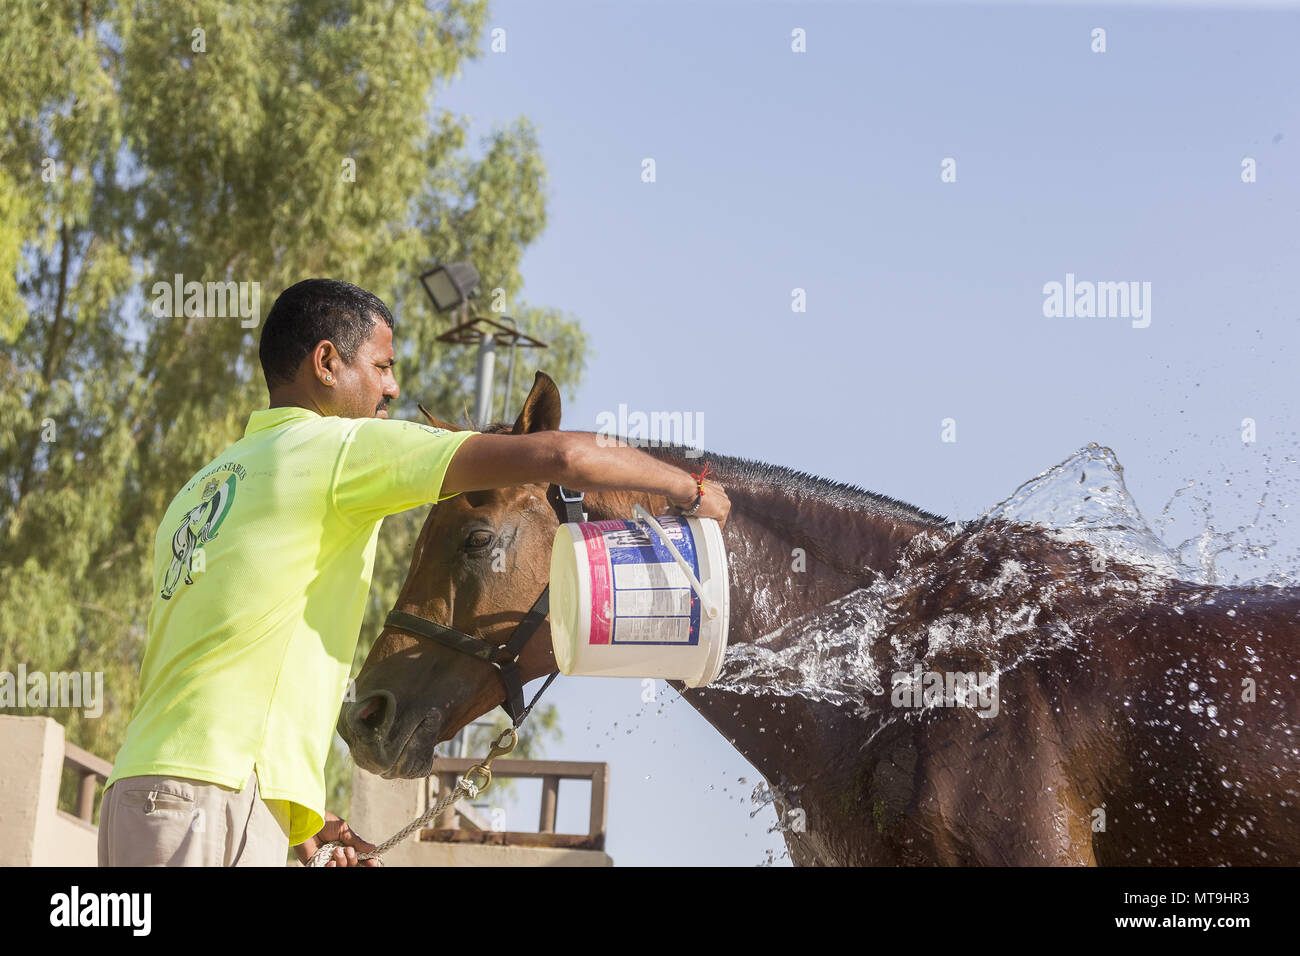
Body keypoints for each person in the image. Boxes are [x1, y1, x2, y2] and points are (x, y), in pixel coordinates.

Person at [98, 278, 729, 867]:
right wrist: (689, 489)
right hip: (210, 807)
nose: (392, 389)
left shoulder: (205, 489)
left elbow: (217, 658)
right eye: (381, 366)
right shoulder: (336, 448)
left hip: (144, 792)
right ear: (326, 364)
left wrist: (298, 816)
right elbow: (560, 454)